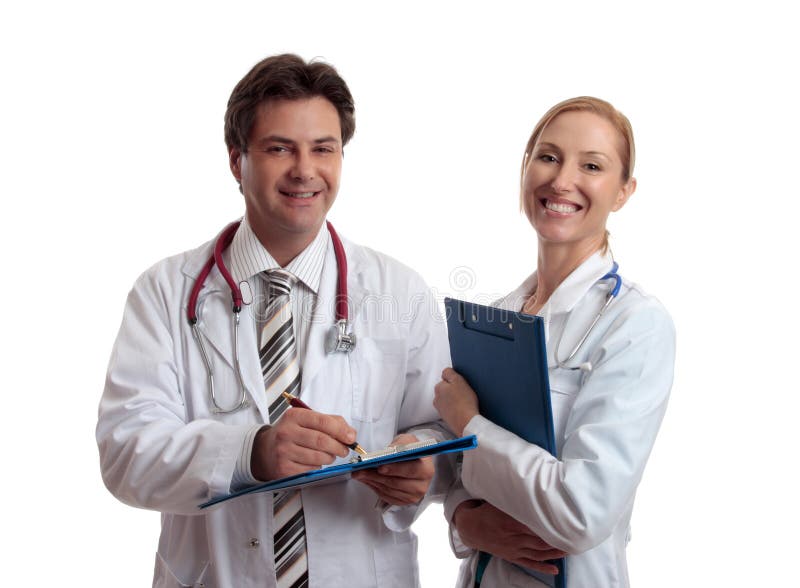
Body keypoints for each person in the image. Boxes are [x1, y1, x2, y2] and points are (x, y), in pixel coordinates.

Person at [97, 54, 451, 588]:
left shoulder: (400, 291)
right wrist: (251, 452)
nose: (305, 170)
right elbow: (127, 454)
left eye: (323, 149)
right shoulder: (164, 293)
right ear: (237, 160)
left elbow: (445, 433)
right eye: (279, 148)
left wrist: (419, 467)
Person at [433, 97, 675, 587]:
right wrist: (463, 518)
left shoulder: (637, 325)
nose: (562, 180)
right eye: (548, 157)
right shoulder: (496, 316)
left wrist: (469, 421)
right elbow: (456, 472)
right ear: (524, 168)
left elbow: (581, 510)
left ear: (624, 192)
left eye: (591, 165)